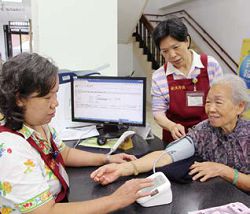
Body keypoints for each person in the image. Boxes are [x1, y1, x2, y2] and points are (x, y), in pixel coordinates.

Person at [0, 53, 153, 214]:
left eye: (56, 93)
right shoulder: (11, 151)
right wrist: (116, 199)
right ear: (19, 99)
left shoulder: (38, 124)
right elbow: (47, 212)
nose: (55, 103)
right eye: (47, 97)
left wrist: (107, 158)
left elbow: (64, 153)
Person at [91, 74, 250, 192]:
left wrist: (223, 170)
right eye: (208, 102)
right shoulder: (205, 129)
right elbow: (167, 155)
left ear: (240, 106)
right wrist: (123, 169)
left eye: (219, 102)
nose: (211, 109)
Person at [151, 17, 223, 144]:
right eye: (165, 51)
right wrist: (171, 126)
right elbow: (158, 113)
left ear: (187, 41)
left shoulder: (210, 65)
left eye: (176, 47)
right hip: (176, 139)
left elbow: (221, 101)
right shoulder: (159, 76)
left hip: (209, 136)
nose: (172, 55)